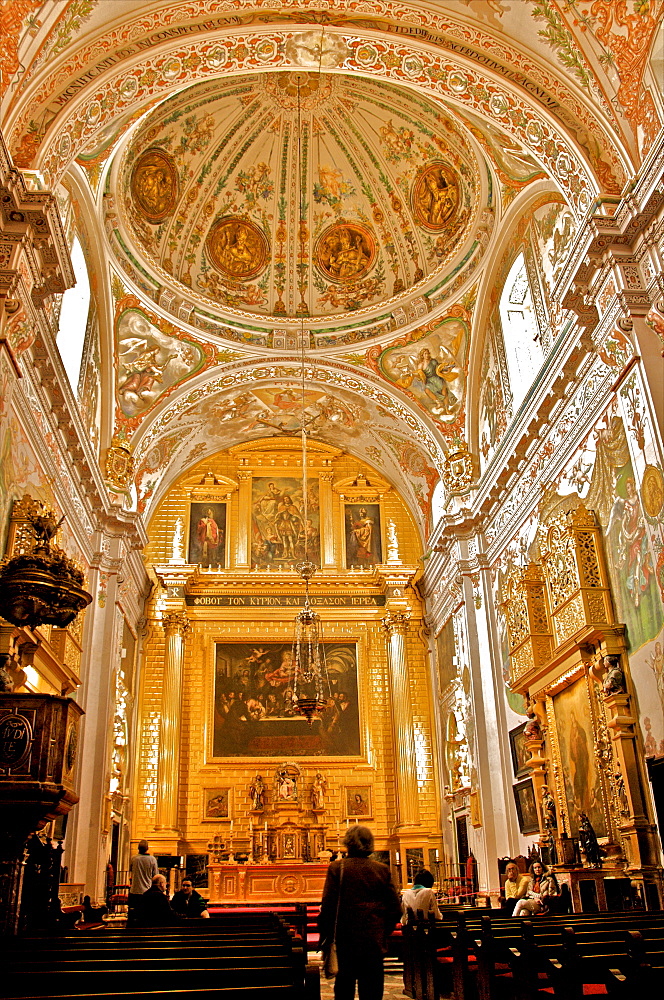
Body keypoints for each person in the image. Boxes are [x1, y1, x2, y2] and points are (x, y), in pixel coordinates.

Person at [318, 824, 402, 1000]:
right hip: (372, 941)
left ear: (348, 843)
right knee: (372, 991)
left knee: (344, 990)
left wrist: (326, 936)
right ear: (370, 844)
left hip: (345, 940)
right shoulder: (382, 869)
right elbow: (395, 908)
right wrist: (381, 931)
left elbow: (328, 907)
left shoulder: (337, 868)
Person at [128, 840, 158, 925]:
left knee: (134, 914)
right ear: (147, 848)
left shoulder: (134, 858)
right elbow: (155, 875)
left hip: (135, 890)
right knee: (146, 915)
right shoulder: (152, 859)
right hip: (147, 890)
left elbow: (130, 869)